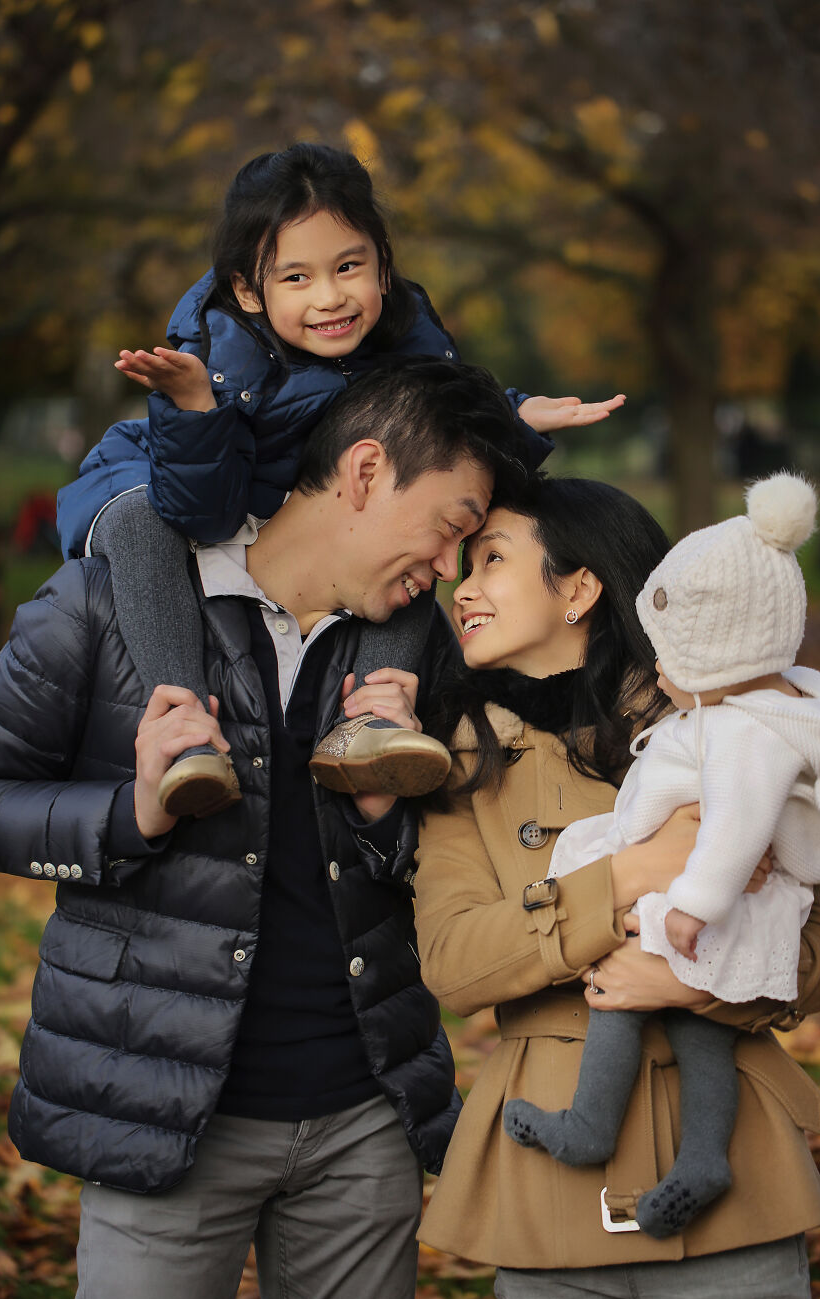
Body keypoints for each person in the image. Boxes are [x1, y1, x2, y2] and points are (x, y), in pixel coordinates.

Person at [0, 359, 527, 1299]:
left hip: (367, 1125)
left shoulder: (420, 647)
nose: (450, 567)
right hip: (160, 1119)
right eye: (451, 526)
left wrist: (386, 817)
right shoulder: (104, 603)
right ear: (364, 472)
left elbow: (455, 858)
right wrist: (132, 815)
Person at [57, 141, 624, 818]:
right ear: (247, 289)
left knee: (415, 556)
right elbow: (200, 513)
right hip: (184, 478)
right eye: (296, 278)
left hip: (291, 510)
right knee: (140, 525)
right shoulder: (222, 360)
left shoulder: (408, 335)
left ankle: (373, 724)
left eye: (349, 266)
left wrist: (515, 415)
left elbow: (440, 436)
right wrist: (196, 411)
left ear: (383, 267)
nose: (331, 298)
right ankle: (184, 727)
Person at [413, 475, 820, 1299]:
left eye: (492, 560)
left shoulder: (732, 727)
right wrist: (628, 877)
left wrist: (694, 988)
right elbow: (454, 966)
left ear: (578, 586)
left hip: (736, 1194)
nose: (461, 587)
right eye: (463, 566)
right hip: (549, 1205)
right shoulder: (459, 765)